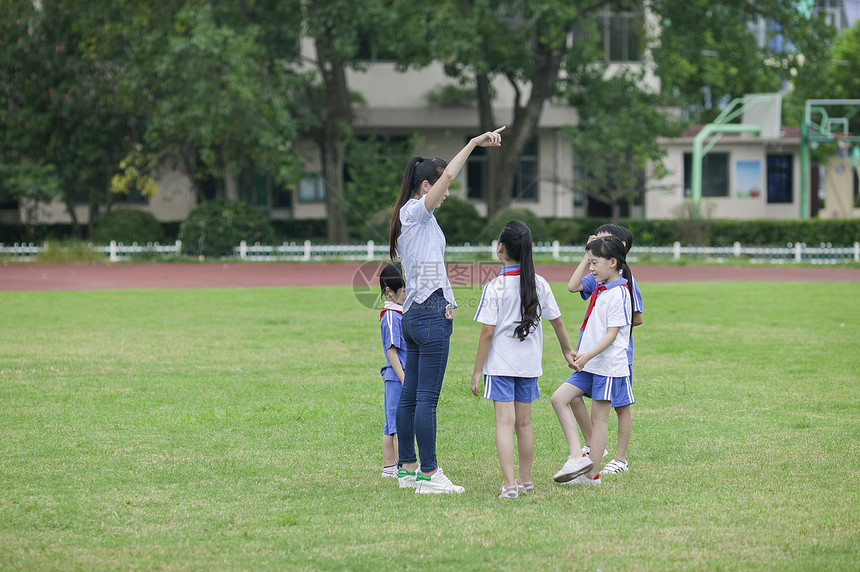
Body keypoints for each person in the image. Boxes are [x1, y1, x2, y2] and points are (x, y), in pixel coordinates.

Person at [388, 126, 505, 494]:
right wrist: (473, 143)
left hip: (419, 313)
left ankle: (407, 469)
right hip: (427, 316)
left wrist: (448, 300)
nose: (448, 192)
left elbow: (429, 268)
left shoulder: (418, 219)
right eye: (440, 186)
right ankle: (429, 473)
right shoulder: (416, 213)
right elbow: (451, 173)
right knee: (426, 399)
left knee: (411, 396)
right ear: (426, 186)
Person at [471, 221, 576, 499]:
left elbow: (487, 332)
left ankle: (509, 484)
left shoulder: (495, 287)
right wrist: (567, 351)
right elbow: (558, 323)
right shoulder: (539, 283)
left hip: (501, 366)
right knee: (524, 424)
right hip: (528, 366)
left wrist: (477, 371)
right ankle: (525, 480)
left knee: (504, 424)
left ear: (501, 248)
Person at [551, 235, 634, 485]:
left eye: (594, 263)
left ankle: (591, 475)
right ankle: (577, 456)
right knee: (559, 399)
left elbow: (612, 334)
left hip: (607, 367)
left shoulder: (620, 292)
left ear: (612, 262)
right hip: (590, 364)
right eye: (590, 263)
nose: (591, 268)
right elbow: (573, 285)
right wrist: (587, 253)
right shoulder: (601, 286)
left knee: (599, 420)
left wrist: (587, 355)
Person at [566, 224, 643, 476]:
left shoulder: (626, 283)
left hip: (615, 355)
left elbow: (636, 317)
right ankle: (595, 447)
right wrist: (586, 254)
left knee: (620, 406)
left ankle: (620, 459)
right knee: (574, 397)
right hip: (592, 354)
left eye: (602, 241)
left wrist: (613, 327)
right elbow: (573, 286)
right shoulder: (597, 274)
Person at [378, 262, 406, 479]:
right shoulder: (390, 315)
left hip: (400, 376)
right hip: (397, 377)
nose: (409, 294)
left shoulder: (401, 311)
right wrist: (404, 378)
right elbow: (391, 351)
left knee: (393, 422)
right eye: (405, 290)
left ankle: (390, 467)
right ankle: (400, 466)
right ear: (389, 291)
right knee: (397, 424)